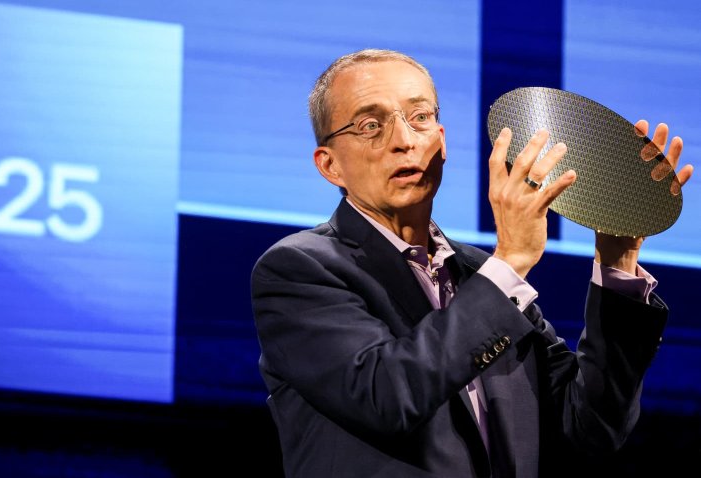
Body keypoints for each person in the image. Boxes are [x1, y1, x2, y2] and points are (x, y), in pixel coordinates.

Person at [250, 48, 694, 478]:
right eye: (370, 125)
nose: (404, 141)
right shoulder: (299, 270)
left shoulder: (480, 275)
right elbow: (387, 396)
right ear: (330, 166)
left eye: (421, 117)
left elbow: (590, 431)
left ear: (441, 142)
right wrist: (512, 261)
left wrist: (616, 262)